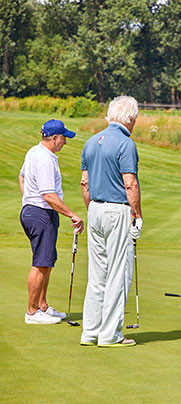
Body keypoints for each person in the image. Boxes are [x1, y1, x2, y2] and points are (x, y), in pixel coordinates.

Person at [79, 95, 143, 348]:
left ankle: (90, 332)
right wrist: (136, 215)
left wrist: (92, 210)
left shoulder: (91, 141)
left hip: (94, 208)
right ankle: (110, 335)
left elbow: (85, 183)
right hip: (117, 211)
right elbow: (130, 183)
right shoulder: (125, 143)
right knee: (118, 272)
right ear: (130, 119)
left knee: (97, 275)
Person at [20, 119, 84, 324]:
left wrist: (28, 199)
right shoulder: (45, 159)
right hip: (41, 213)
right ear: (55, 138)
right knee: (41, 263)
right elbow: (48, 195)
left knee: (48, 261)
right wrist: (72, 214)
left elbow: (22, 178)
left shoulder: (34, 151)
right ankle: (31, 312)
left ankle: (42, 306)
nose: (65, 142)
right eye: (63, 138)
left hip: (35, 211)